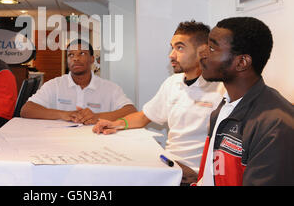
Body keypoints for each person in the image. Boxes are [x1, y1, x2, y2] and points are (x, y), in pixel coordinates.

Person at [93, 21, 225, 185]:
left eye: (180, 48)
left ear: (203, 51)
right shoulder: (172, 83)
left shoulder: (221, 88)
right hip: (169, 167)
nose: (171, 55)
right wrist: (115, 124)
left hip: (197, 175)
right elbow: (144, 117)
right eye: (172, 47)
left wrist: (201, 176)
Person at [196, 17, 294, 186]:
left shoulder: (275, 125)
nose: (202, 54)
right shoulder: (224, 107)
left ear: (241, 62)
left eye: (212, 48)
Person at [21, 39, 137, 124]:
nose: (75, 58)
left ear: (92, 59)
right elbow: (26, 110)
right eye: (71, 55)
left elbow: (130, 111)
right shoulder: (54, 85)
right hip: (60, 142)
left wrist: (97, 117)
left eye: (82, 53)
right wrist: (64, 114)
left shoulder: (109, 88)